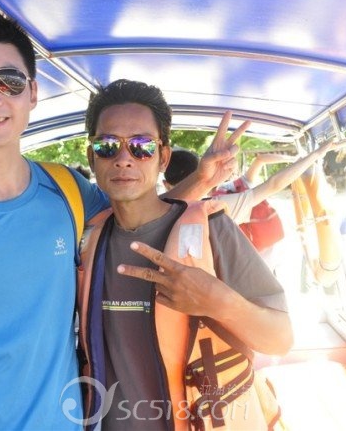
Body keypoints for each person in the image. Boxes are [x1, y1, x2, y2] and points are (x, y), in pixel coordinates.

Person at [0, 10, 243, 430]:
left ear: (33, 92)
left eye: (8, 80)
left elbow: (137, 214)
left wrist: (200, 184)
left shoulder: (69, 193)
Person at [76, 79, 293, 429]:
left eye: (142, 146)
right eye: (107, 146)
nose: (124, 159)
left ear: (163, 157)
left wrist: (219, 303)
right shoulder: (88, 241)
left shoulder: (211, 229)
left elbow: (280, 339)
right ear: (91, 156)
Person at [164, 141, 334, 272]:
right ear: (204, 174)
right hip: (235, 278)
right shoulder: (215, 207)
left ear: (165, 184)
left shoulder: (155, 210)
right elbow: (273, 184)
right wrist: (314, 155)